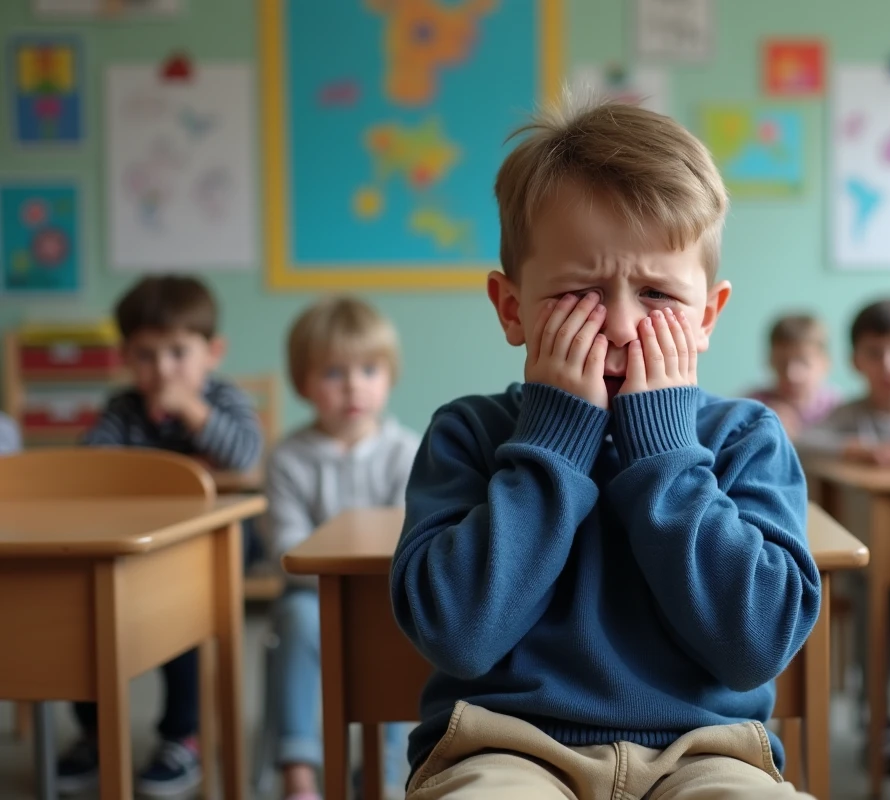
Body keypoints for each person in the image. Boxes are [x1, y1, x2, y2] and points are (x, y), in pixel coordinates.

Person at [390, 100, 822, 799]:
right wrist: (552, 445)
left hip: (708, 754)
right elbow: (459, 636)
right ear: (513, 309)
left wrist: (668, 459)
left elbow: (754, 648)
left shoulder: (745, 438)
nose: (621, 324)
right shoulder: (467, 434)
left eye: (657, 293)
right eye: (578, 293)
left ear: (708, 315)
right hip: (505, 749)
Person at [58, 275, 263, 798]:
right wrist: (172, 467)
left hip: (215, 542)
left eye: (178, 353)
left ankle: (181, 737)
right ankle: (93, 733)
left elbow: (242, 456)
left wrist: (193, 414)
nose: (163, 370)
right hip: (138, 545)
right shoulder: (124, 410)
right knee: (82, 616)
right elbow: (87, 469)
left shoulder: (225, 401)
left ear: (212, 353)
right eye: (147, 356)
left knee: (182, 617)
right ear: (126, 357)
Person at [264, 296, 420, 800]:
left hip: (385, 597)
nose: (353, 385)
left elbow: (410, 537)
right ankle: (299, 769)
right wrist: (336, 581)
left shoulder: (407, 452)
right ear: (302, 382)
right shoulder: (287, 458)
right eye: (334, 372)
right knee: (300, 621)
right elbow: (286, 549)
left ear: (388, 376)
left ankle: (384, 770)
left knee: (404, 627)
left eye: (368, 369)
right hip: (310, 595)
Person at [796, 298, 890, 467]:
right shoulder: (850, 413)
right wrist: (860, 450)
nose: (889, 365)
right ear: (855, 361)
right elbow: (800, 443)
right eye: (874, 353)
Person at [747, 313, 840, 438]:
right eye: (782, 363)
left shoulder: (837, 408)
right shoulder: (753, 407)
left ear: (826, 363)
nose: (792, 375)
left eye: (803, 363)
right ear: (770, 361)